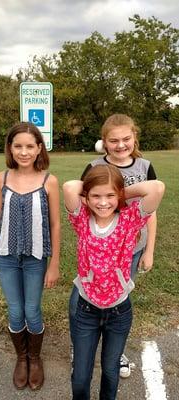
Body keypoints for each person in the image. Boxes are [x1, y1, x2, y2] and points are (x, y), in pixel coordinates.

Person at [0, 122, 60, 391]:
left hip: (36, 258)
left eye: (30, 146)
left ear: (39, 148)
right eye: (18, 146)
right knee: (15, 310)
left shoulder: (48, 180)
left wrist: (53, 264)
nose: (24, 151)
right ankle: (22, 358)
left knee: (32, 309)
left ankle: (35, 357)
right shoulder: (2, 178)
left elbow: (55, 225)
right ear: (10, 148)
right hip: (6, 255)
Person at [63, 164, 165, 400]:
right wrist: (98, 188)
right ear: (86, 198)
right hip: (86, 311)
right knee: (80, 376)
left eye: (109, 196)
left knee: (110, 371)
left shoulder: (130, 220)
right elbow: (69, 187)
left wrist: (120, 192)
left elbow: (157, 188)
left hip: (119, 312)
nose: (103, 202)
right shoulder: (81, 219)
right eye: (95, 196)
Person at [73, 113, 157, 378]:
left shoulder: (144, 166)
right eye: (114, 141)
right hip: (97, 248)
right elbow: (78, 193)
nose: (121, 145)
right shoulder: (94, 165)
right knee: (80, 297)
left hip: (130, 248)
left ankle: (116, 351)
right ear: (104, 143)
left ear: (134, 137)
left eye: (126, 139)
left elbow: (152, 210)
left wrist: (149, 249)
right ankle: (81, 350)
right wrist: (110, 191)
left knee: (119, 298)